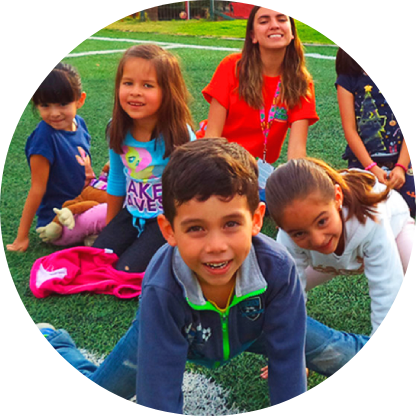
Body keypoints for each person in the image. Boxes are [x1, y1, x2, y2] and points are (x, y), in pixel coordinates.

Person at [38, 139, 307, 412]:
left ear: (257, 220)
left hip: (247, 326)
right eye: (195, 228)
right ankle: (56, 343)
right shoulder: (161, 286)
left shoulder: (278, 269)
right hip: (162, 327)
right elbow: (159, 394)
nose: (216, 246)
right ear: (168, 230)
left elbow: (288, 364)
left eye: (231, 224)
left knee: (324, 347)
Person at [265, 157, 414, 376]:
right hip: (326, 263)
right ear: (282, 228)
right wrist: (295, 355)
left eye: (321, 221)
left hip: (394, 232)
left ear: (337, 198)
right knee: (281, 291)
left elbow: (387, 292)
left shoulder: (370, 219)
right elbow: (287, 301)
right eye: (299, 232)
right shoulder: (287, 239)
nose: (316, 239)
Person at [92, 44, 196, 272]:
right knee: (98, 258)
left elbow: (192, 191)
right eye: (128, 83)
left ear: (167, 92)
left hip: (165, 221)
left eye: (147, 85)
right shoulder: (116, 129)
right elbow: (117, 180)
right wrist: (110, 229)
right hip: (130, 213)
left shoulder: (180, 135)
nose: (135, 92)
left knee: (125, 270)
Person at [200, 7, 319, 164]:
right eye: (264, 21)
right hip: (217, 161)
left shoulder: (302, 83)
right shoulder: (232, 67)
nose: (274, 25)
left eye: (282, 19)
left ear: (291, 33)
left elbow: (297, 152)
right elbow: (212, 139)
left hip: (256, 170)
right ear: (253, 35)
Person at [7, 62, 92, 252]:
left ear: (80, 100)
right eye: (45, 105)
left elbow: (85, 163)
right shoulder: (43, 139)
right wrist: (22, 237)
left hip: (81, 205)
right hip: (57, 220)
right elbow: (37, 189)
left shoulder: (79, 123)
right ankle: (94, 235)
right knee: (109, 216)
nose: (54, 113)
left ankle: (93, 234)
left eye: (63, 104)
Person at [335, 48, 415, 215]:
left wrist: (401, 167)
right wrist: (371, 168)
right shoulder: (347, 79)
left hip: (401, 159)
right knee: (362, 207)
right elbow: (350, 130)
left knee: (410, 203)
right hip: (364, 162)